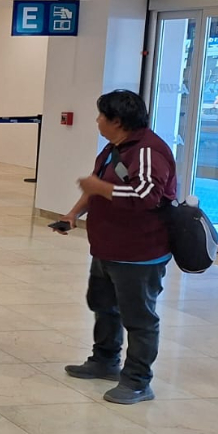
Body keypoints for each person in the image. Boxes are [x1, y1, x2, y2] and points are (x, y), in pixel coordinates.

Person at [58, 90, 178, 405]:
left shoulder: (149, 151)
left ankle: (138, 381)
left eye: (101, 116)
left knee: (139, 318)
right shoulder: (115, 148)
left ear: (117, 121)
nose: (97, 121)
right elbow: (96, 188)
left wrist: (100, 187)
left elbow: (146, 198)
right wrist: (73, 214)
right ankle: (105, 360)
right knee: (103, 305)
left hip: (139, 253)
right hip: (107, 248)